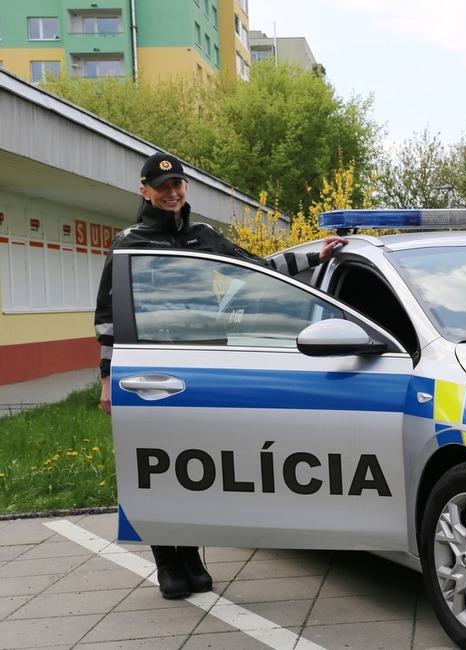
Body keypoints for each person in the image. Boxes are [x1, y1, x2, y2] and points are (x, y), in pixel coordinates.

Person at [94, 151, 346, 599]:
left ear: (185, 189)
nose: (172, 193)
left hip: (201, 365)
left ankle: (191, 555)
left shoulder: (202, 235)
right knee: (155, 465)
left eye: (178, 186)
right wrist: (107, 379)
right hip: (152, 371)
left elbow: (255, 270)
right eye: (162, 186)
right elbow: (108, 316)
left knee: (190, 464)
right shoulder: (129, 242)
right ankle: (167, 561)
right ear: (145, 190)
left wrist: (313, 255)